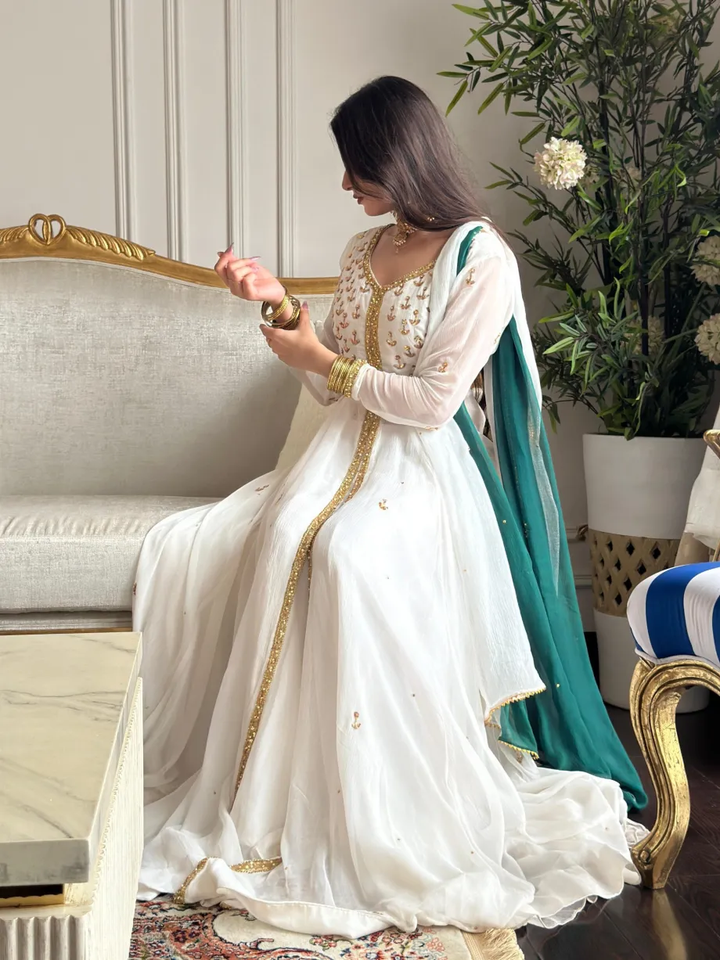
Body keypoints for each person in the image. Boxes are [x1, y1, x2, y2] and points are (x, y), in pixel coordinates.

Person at [134, 76, 647, 938]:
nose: (346, 184)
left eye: (357, 166)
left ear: (400, 157)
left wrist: (324, 362)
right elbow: (331, 378)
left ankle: (374, 805)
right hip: (340, 455)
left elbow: (434, 403)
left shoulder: (480, 259)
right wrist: (280, 308)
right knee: (278, 536)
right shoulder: (363, 248)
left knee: (346, 553)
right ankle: (275, 800)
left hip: (425, 469)